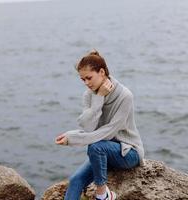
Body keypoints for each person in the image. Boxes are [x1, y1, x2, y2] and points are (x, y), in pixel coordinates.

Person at [55, 49, 144, 200]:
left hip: (128, 152)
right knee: (75, 181)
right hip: (103, 153)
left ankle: (103, 195)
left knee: (95, 146)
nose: (86, 83)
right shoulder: (89, 95)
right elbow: (88, 127)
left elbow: (108, 133)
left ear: (102, 72)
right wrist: (99, 98)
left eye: (89, 78)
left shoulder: (125, 96)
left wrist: (74, 139)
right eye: (83, 80)